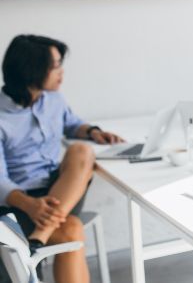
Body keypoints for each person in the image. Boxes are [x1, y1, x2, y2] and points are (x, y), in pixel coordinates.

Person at [0, 35, 123, 283]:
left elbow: (72, 124)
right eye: (55, 66)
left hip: (58, 193)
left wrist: (92, 132)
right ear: (31, 70)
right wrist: (30, 205)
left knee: (81, 150)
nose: (62, 72)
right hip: (18, 203)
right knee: (71, 229)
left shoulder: (53, 99)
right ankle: (40, 234)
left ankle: (40, 234)